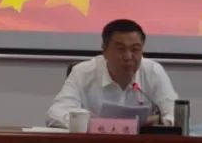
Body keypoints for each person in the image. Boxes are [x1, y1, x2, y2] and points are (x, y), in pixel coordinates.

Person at [46, 19, 178, 128]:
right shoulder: (83, 72)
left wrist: (160, 122)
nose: (128, 56)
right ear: (104, 49)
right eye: (120, 49)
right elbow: (55, 114)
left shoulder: (153, 72)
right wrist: (96, 124)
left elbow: (176, 114)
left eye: (135, 49)